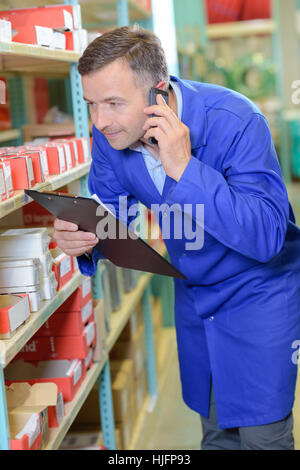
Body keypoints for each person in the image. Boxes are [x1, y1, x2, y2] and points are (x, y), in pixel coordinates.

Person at [53, 25, 300, 450]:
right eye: (92, 104)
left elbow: (267, 236)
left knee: (263, 437)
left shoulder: (236, 122)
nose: (100, 121)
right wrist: (87, 237)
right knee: (216, 432)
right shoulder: (111, 135)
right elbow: (114, 214)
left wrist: (186, 170)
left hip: (259, 292)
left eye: (114, 103)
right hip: (195, 292)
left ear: (158, 92)